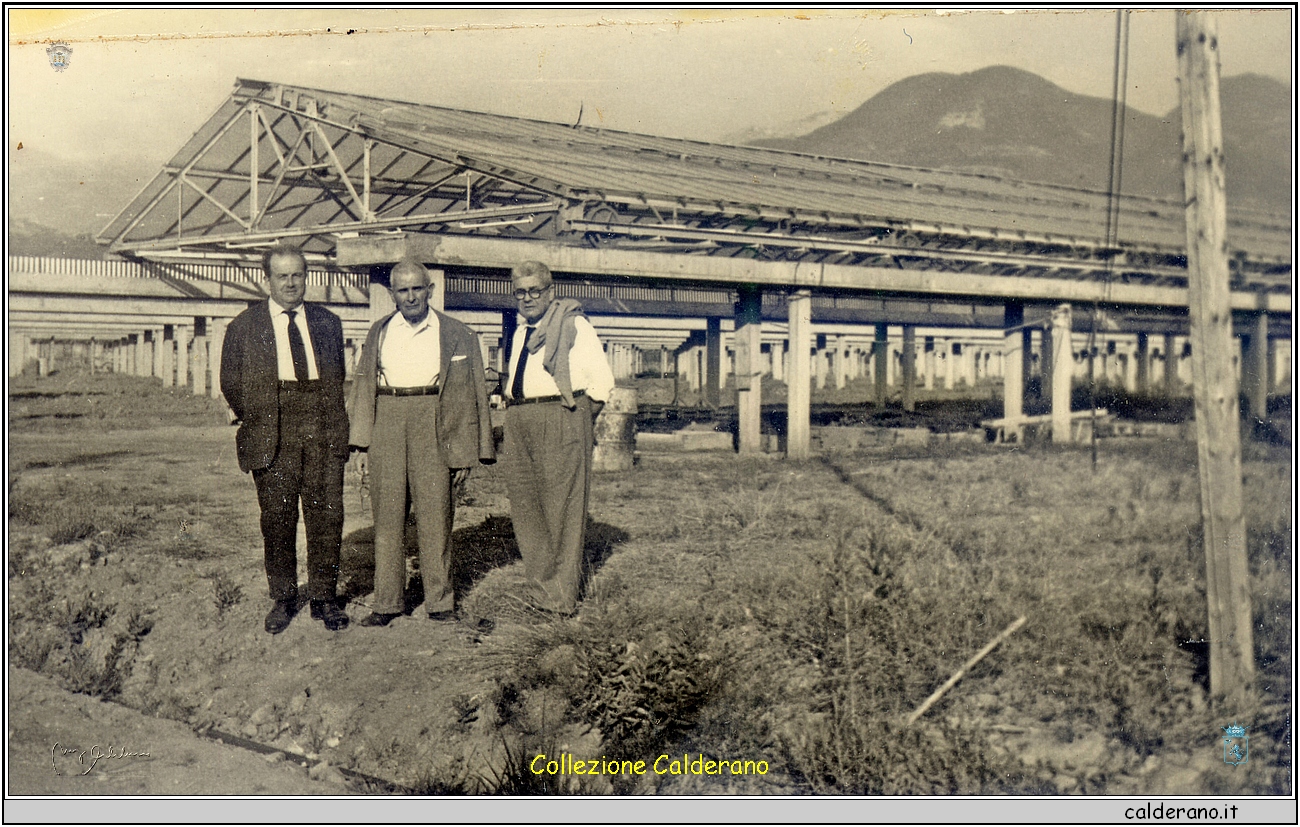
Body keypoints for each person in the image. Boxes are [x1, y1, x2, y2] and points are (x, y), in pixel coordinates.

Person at [347, 260, 495, 626]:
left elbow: (472, 393)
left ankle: (440, 601)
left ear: (430, 290)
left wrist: (468, 449)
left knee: (436, 515)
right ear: (393, 293)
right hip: (389, 418)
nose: (411, 296)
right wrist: (361, 445)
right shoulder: (379, 331)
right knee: (388, 517)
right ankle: (387, 602)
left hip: (434, 418)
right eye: (403, 290)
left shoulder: (458, 333)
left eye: (417, 289)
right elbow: (364, 388)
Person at [220, 244, 351, 634]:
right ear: (268, 280)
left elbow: (337, 377)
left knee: (326, 516)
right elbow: (231, 383)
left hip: (322, 426)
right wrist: (261, 417)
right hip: (272, 430)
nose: (291, 283)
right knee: (277, 520)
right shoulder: (244, 327)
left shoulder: (328, 322)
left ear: (305, 277)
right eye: (283, 276)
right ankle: (283, 597)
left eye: (297, 275)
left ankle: (325, 598)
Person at [502, 260, 615, 615]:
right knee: (527, 509)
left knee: (562, 510)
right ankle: (540, 591)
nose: (528, 298)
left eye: (535, 290)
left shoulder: (574, 325)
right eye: (521, 292)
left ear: (549, 291)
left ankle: (562, 600)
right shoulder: (521, 331)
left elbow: (601, 385)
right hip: (519, 419)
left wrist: (574, 421)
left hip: (560, 415)